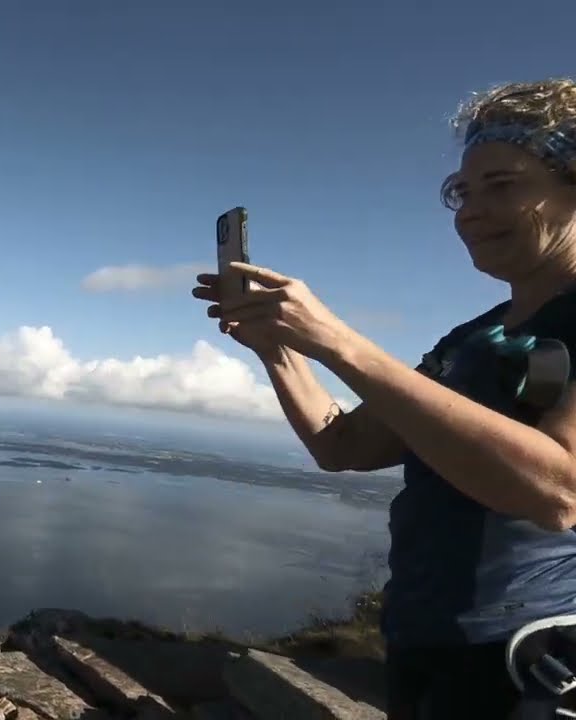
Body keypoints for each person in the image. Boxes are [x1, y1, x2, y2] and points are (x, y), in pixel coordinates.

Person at [191, 77, 576, 719]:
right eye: (462, 192)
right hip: (424, 640)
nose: (470, 212)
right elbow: (343, 445)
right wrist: (278, 349)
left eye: (501, 185)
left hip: (525, 656)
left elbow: (558, 492)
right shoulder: (473, 338)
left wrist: (339, 342)